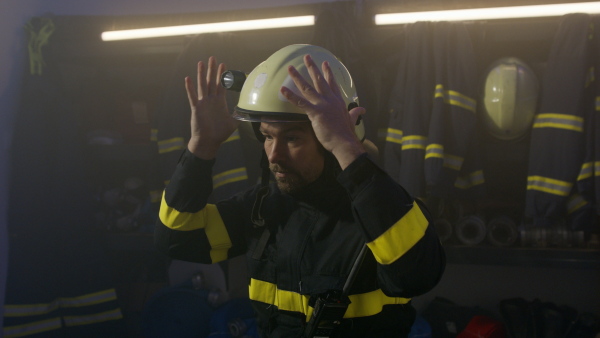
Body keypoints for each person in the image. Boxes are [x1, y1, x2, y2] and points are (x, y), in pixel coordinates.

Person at [155, 44, 445, 337]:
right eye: (267, 136)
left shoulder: (382, 213)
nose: (274, 155)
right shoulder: (262, 210)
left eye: (292, 138)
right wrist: (202, 147)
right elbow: (177, 239)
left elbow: (416, 277)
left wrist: (347, 148)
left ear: (331, 138)